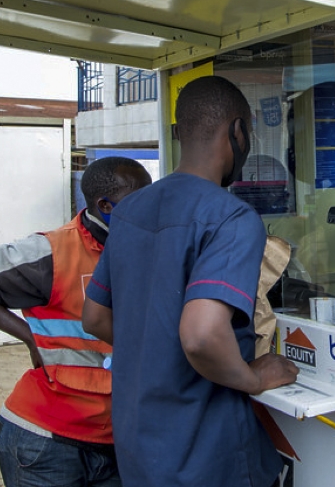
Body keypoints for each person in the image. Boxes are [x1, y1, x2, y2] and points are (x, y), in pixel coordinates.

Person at [82, 75, 299, 487]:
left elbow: (94, 317)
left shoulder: (129, 211)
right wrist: (254, 377)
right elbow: (200, 336)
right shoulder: (233, 219)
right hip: (206, 456)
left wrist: (160, 351)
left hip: (139, 447)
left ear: (180, 132)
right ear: (238, 132)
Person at [0, 156, 152, 487]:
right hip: (44, 444)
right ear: (105, 205)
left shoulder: (147, 250)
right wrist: (27, 335)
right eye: (141, 198)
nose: (152, 206)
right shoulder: (51, 253)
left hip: (115, 443)